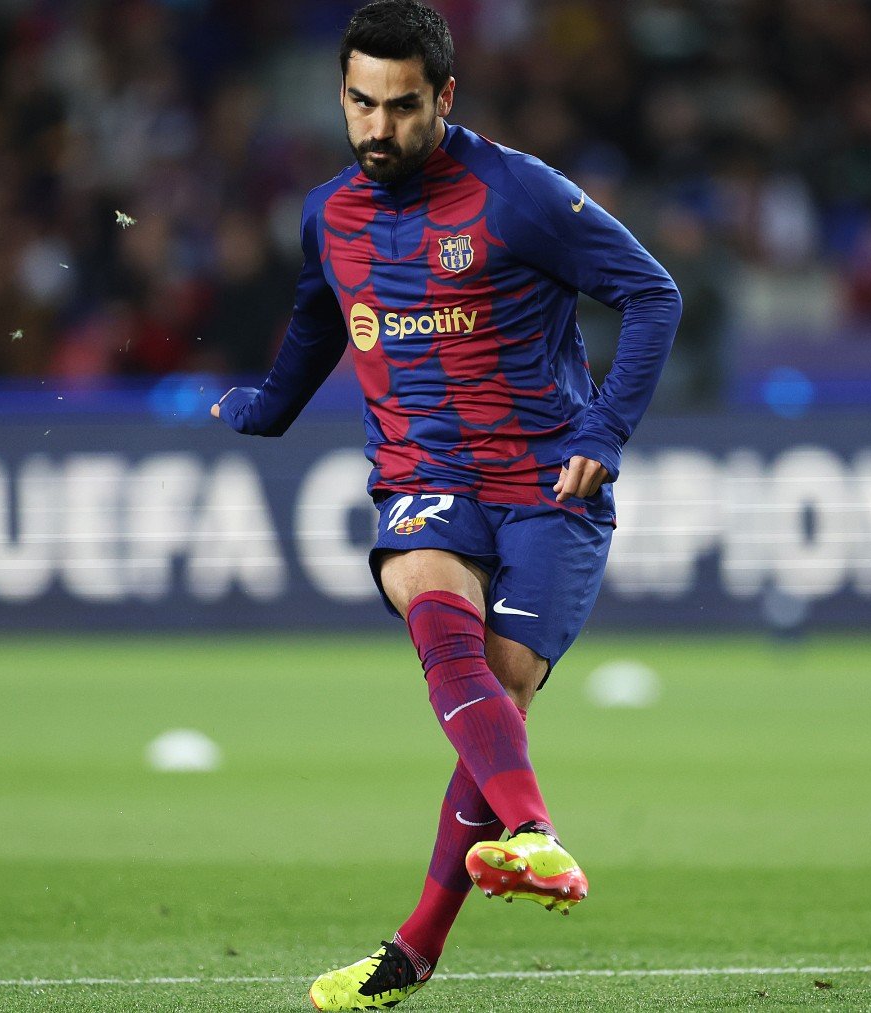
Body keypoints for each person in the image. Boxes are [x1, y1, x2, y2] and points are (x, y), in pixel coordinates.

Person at [210, 2, 680, 1008]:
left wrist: (604, 430)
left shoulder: (520, 195)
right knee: (440, 621)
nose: (378, 128)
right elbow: (314, 321)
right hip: (423, 477)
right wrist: (269, 406)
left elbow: (654, 295)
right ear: (342, 93)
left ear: (445, 97)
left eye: (402, 107)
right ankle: (536, 834)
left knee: (497, 703)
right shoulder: (329, 212)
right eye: (360, 103)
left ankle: (414, 947)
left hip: (550, 485)